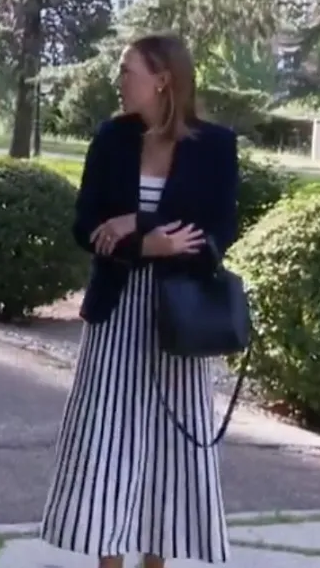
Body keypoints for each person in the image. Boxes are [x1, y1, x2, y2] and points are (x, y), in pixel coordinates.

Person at [39, 32, 238, 568]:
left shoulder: (215, 145)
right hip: (116, 310)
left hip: (182, 317)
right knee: (107, 444)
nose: (119, 79)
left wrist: (139, 220)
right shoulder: (112, 138)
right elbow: (85, 224)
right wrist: (144, 243)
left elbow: (218, 229)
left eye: (128, 70)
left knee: (169, 452)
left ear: (163, 80)